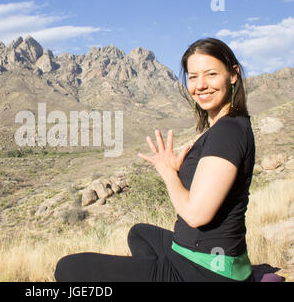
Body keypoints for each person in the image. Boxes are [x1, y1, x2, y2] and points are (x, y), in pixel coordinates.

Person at [54, 38, 256, 282]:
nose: (200, 85)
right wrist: (183, 172)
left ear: (233, 74)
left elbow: (196, 215)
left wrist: (168, 172)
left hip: (204, 270)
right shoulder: (228, 126)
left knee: (68, 268)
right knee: (139, 233)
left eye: (211, 74)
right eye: (193, 77)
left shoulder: (227, 131)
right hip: (208, 257)